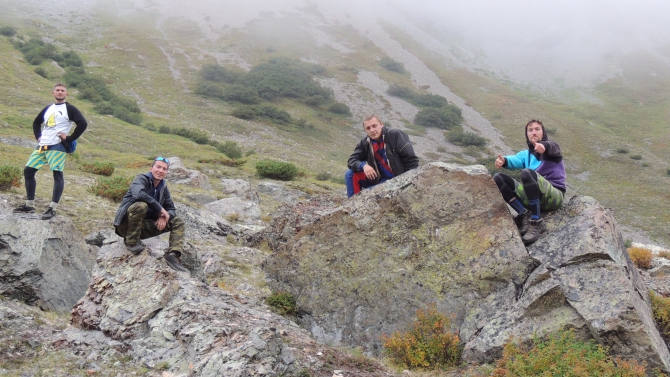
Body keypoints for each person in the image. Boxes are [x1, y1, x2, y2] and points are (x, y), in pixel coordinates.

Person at [13, 82, 88, 219]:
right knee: (28, 171)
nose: (60, 92)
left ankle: (52, 209)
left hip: (57, 146)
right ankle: (29, 205)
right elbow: (36, 122)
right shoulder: (48, 108)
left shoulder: (70, 109)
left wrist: (69, 138)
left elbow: (83, 123)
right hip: (43, 145)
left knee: (57, 175)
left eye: (62, 90)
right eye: (57, 90)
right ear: (53, 92)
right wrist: (38, 137)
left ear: (66, 94)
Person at [493, 119, 566, 245]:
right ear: (527, 134)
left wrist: (544, 146)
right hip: (535, 197)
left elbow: (552, 147)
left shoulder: (552, 149)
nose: (534, 132)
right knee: (498, 178)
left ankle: (537, 222)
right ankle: (523, 214)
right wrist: (503, 160)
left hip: (554, 196)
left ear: (543, 132)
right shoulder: (526, 155)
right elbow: (514, 160)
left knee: (527, 173)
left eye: (537, 129)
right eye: (530, 130)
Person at [113, 157, 188, 272]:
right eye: (158, 167)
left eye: (164, 169)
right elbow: (138, 194)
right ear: (151, 168)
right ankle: (131, 242)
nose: (161, 171)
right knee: (141, 205)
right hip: (126, 226)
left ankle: (172, 255)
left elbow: (171, 209)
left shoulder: (163, 187)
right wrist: (160, 208)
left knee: (178, 221)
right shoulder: (141, 179)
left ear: (166, 172)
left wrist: (164, 215)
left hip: (142, 227)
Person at [345, 114, 419, 197]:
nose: (372, 130)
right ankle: (353, 205)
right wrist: (363, 166)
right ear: (365, 130)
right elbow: (351, 160)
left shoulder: (394, 135)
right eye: (368, 128)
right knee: (350, 173)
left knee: (369, 196)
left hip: (397, 181)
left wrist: (408, 184)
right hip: (379, 180)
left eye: (374, 126)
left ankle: (366, 198)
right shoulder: (365, 143)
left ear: (381, 124)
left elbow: (411, 160)